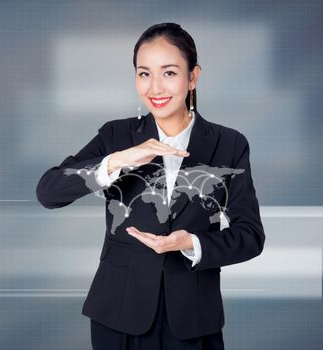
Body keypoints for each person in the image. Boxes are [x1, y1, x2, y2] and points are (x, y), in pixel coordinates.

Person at [36, 22, 265, 350]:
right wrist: (116, 161)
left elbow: (250, 236)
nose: (155, 87)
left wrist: (192, 243)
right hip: (117, 316)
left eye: (169, 73)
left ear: (193, 77)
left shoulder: (229, 145)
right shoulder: (116, 136)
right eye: (144, 74)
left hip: (193, 319)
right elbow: (48, 192)